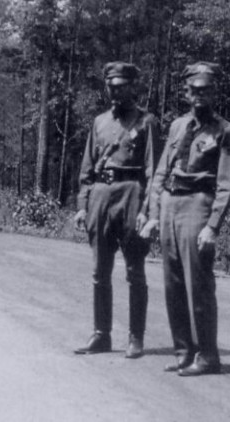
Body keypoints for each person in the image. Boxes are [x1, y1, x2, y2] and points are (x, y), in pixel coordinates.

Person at [140, 62, 230, 376]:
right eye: (194, 90)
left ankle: (208, 356)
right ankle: (184, 350)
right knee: (173, 284)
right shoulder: (177, 126)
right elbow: (160, 172)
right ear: (186, 92)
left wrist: (213, 225)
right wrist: (154, 214)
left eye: (206, 89)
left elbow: (225, 183)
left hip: (197, 205)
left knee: (199, 284)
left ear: (214, 92)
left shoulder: (225, 131)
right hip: (170, 204)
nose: (200, 96)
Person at [74, 62, 159, 358]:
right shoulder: (99, 122)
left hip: (132, 193)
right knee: (100, 271)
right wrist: (83, 206)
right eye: (111, 85)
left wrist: (147, 210)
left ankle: (136, 337)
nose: (115, 90)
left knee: (135, 271)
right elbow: (87, 168)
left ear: (132, 87)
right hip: (100, 195)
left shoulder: (146, 122)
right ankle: (101, 334)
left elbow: (154, 171)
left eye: (121, 85)